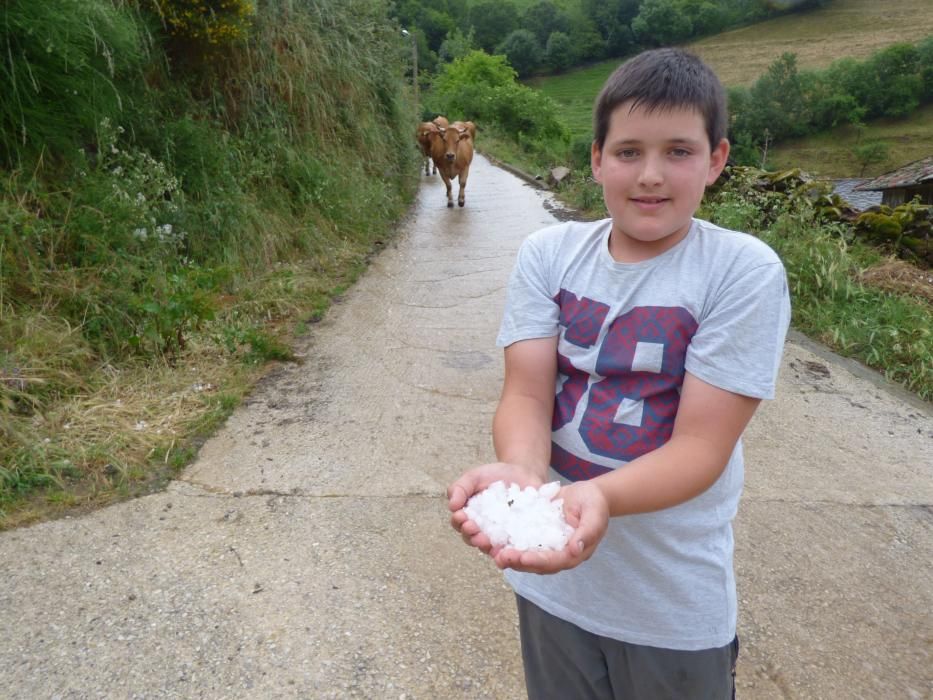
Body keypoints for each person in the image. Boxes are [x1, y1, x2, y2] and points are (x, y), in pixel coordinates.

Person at [447, 47, 791, 700]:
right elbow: (524, 392)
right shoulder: (546, 255)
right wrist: (522, 477)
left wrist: (600, 497)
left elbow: (701, 447)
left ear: (716, 161)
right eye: (628, 151)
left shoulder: (740, 272)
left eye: (678, 152)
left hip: (670, 605)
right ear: (596, 158)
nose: (650, 176)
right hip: (549, 580)